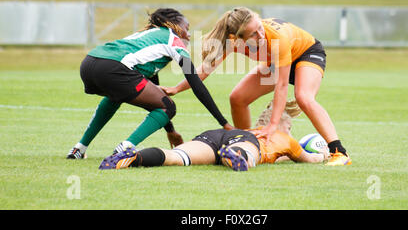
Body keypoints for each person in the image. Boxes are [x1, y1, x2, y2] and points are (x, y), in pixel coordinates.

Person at [161, 7, 351, 166]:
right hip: (275, 62)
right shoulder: (232, 41)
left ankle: (339, 152)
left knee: (304, 97)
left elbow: (282, 85)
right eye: (253, 33)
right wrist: (177, 88)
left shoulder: (277, 38)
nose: (261, 34)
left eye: (260, 27)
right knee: (237, 98)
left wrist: (272, 125)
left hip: (306, 53)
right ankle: (245, 143)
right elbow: (205, 70)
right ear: (238, 37)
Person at [67, 8, 233, 159]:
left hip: (90, 62)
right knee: (169, 107)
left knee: (116, 95)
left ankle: (79, 149)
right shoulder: (174, 41)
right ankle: (125, 148)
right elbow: (197, 85)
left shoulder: (149, 35)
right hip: (114, 67)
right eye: (187, 28)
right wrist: (224, 123)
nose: (188, 35)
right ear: (174, 25)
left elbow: (152, 85)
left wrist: (170, 130)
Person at [98, 100, 329, 171]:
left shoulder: (253, 131)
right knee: (249, 154)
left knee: (177, 156)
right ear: (284, 126)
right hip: (243, 144)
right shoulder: (285, 140)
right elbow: (308, 158)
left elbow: (279, 157)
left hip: (217, 136)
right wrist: (323, 154)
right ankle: (235, 155)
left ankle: (134, 158)